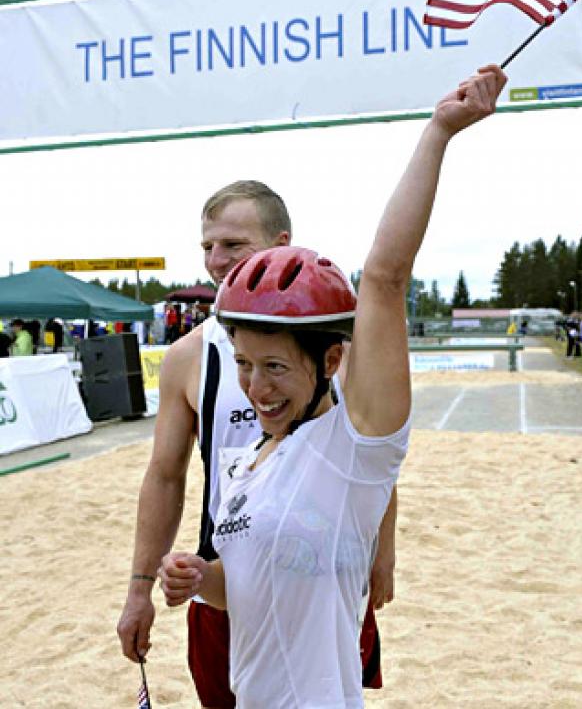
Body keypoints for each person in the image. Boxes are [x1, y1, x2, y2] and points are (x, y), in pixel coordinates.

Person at [158, 65, 506, 706]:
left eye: (276, 368)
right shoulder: (243, 463)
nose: (256, 388)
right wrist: (196, 576)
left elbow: (384, 277)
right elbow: (244, 588)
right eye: (243, 364)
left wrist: (438, 134)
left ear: (329, 362)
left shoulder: (355, 449)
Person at [117, 181, 397, 707]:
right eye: (207, 247)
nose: (217, 261)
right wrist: (139, 591)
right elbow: (165, 474)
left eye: (233, 245)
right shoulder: (188, 356)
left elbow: (374, 454)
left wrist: (384, 550)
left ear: (282, 242)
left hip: (319, 564)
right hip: (226, 569)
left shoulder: (333, 344)